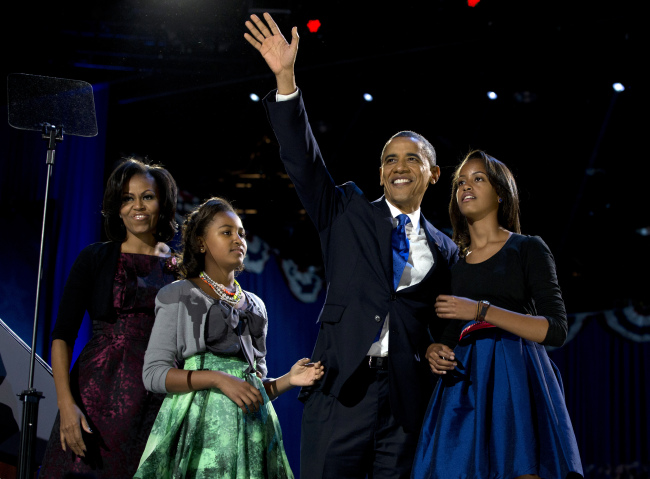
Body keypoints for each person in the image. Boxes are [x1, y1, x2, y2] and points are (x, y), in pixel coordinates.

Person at [244, 13, 460, 479]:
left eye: (412, 159)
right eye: (389, 160)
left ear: (433, 174)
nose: (399, 167)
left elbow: (444, 318)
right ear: (381, 173)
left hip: (405, 403)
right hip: (340, 389)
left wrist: (436, 347)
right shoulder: (345, 211)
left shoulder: (445, 251)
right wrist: (286, 80)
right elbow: (303, 162)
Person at [411, 150, 584, 479]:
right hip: (465, 383)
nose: (466, 186)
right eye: (460, 182)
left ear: (501, 193)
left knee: (522, 467)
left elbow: (556, 329)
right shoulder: (454, 265)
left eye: (478, 179)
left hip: (515, 372)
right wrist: (436, 350)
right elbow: (450, 334)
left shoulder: (528, 248)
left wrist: (481, 311)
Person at [133, 197, 325, 479]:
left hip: (251, 432)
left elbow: (254, 390)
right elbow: (153, 375)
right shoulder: (179, 294)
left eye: (242, 233)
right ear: (201, 243)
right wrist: (218, 378)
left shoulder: (255, 306)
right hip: (198, 430)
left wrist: (288, 380)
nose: (238, 240)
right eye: (227, 232)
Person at [38, 157, 179, 478]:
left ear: (163, 203)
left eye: (147, 196)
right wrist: (66, 405)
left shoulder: (181, 270)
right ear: (116, 207)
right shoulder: (94, 258)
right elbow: (62, 336)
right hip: (93, 396)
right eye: (127, 198)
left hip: (155, 401)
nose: (137, 206)